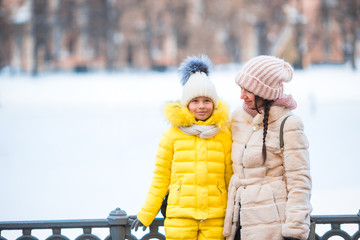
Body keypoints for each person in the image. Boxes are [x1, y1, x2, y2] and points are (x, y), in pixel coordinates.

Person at [131, 55, 233, 240]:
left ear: (214, 103)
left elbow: (230, 179)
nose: (201, 106)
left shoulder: (224, 135)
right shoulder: (172, 135)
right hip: (180, 217)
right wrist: (146, 214)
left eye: (206, 101)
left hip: (216, 218)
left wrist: (234, 215)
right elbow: (161, 178)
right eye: (195, 101)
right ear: (186, 104)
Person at [223, 55, 312, 240]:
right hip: (238, 226)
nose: (241, 95)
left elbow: (299, 181)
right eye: (241, 88)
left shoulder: (288, 123)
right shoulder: (238, 118)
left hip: (272, 228)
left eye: (248, 90)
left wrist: (294, 229)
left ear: (265, 92)